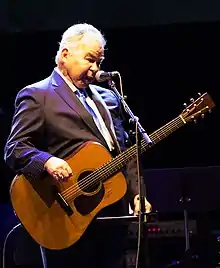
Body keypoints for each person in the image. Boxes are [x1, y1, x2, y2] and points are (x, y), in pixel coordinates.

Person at [4, 23, 151, 268]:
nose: (95, 69)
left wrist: (137, 193)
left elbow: (125, 152)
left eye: (99, 62)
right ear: (65, 55)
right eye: (90, 60)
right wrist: (47, 161)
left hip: (111, 213)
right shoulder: (37, 95)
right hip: (65, 217)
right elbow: (15, 148)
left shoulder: (108, 98)